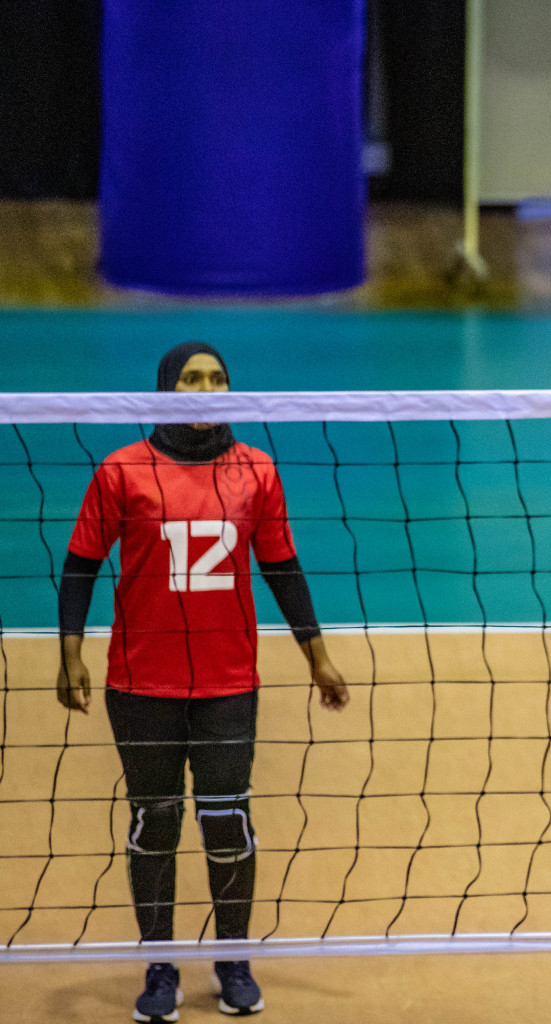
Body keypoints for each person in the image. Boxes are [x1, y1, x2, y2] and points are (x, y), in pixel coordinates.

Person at [55, 342, 348, 1023]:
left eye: (217, 379)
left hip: (226, 686)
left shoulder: (256, 470)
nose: (205, 388)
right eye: (191, 379)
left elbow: (282, 568)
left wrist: (317, 657)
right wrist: (70, 654)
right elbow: (79, 565)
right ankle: (160, 967)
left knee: (227, 824)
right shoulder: (122, 471)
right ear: (165, 389)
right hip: (141, 686)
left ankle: (233, 960)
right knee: (154, 824)